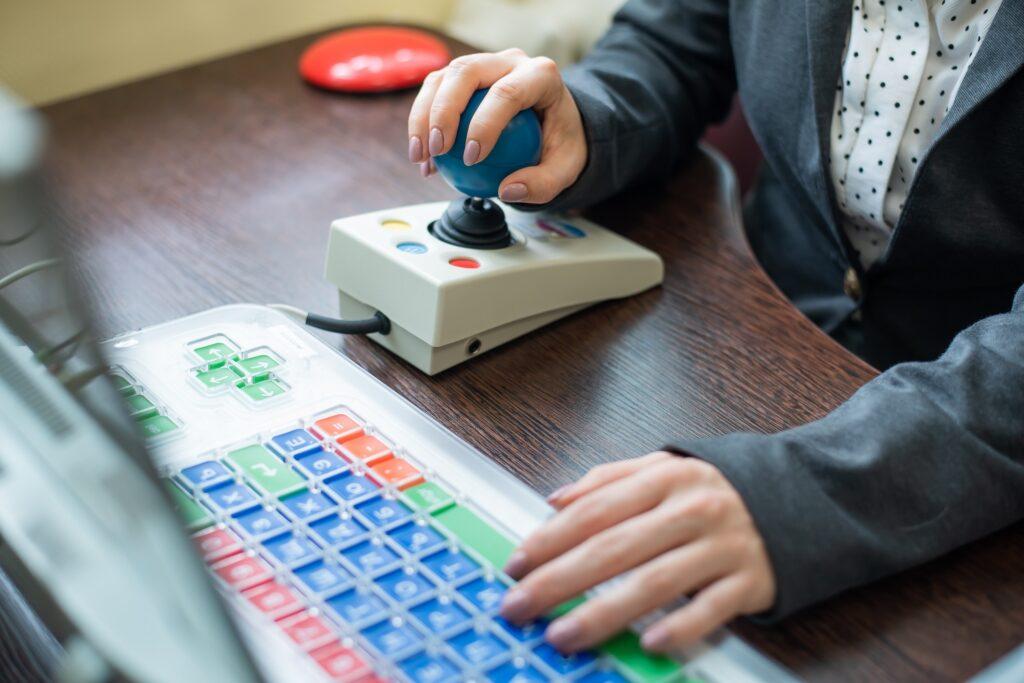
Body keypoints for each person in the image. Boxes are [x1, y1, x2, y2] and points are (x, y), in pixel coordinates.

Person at [406, 0, 1024, 656]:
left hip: (967, 454)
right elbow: (674, 44)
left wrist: (807, 493)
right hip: (751, 329)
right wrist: (583, 119)